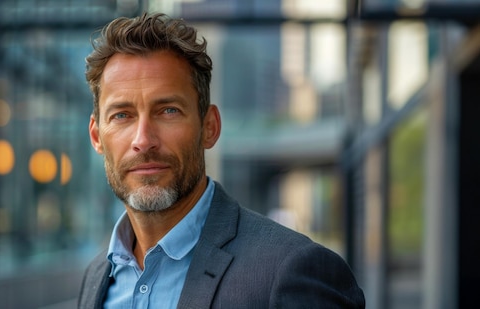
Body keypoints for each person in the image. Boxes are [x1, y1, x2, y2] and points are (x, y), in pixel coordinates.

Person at [78, 12, 365, 308]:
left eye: (168, 111)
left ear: (210, 127)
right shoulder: (97, 278)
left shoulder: (292, 271)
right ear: (97, 136)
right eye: (122, 115)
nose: (143, 140)